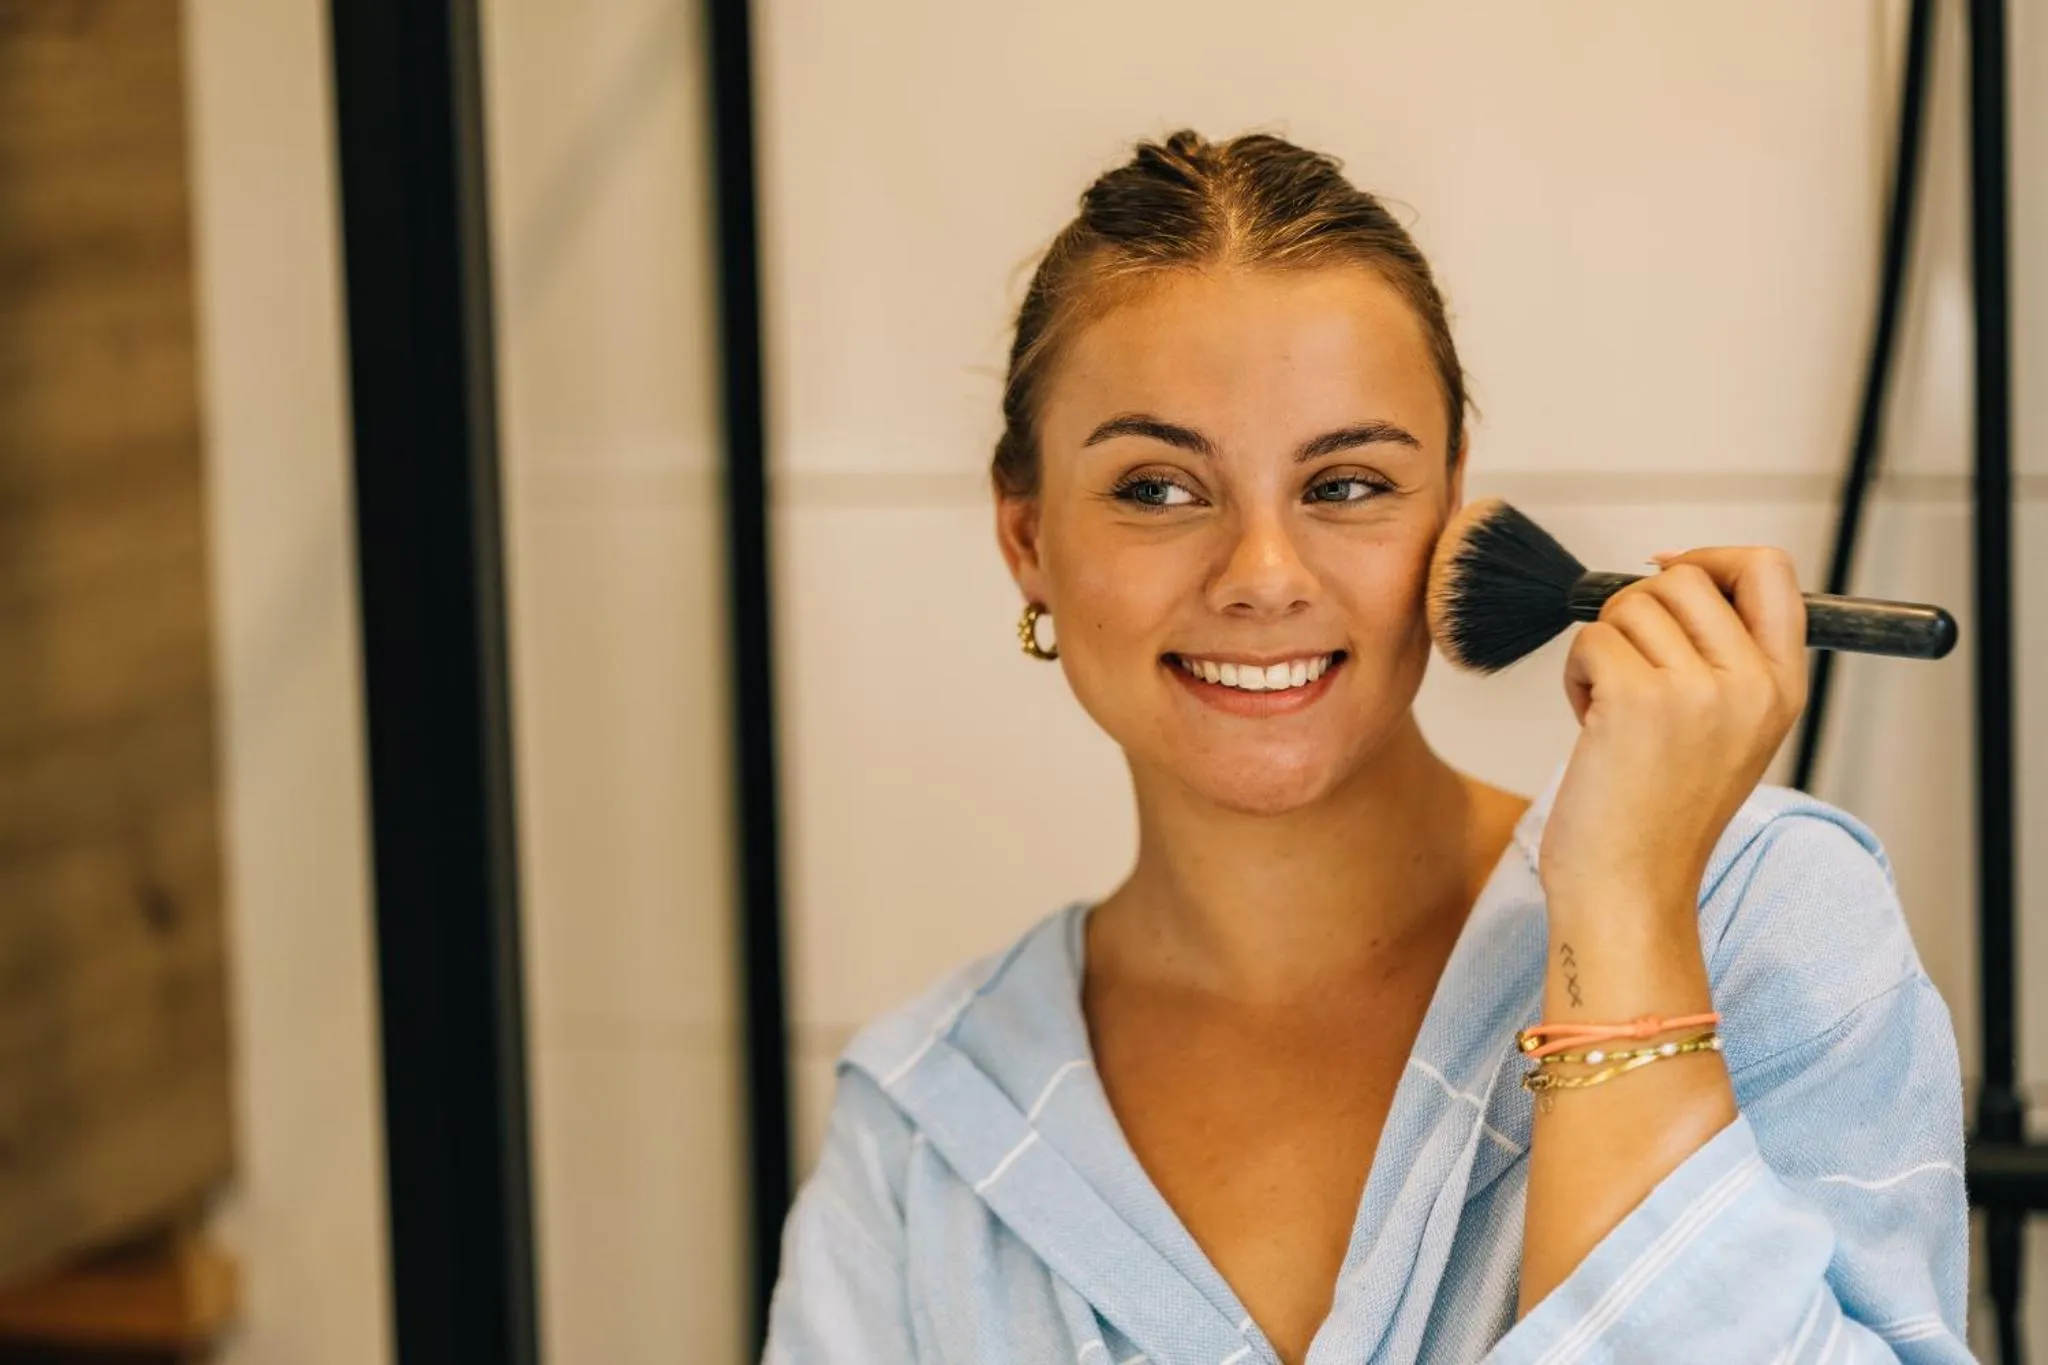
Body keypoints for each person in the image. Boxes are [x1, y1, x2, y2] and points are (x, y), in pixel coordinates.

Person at [762, 130, 1970, 1363]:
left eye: (1345, 486)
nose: (1262, 577)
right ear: (1025, 535)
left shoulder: (1755, 916)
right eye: (1156, 488)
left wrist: (1621, 911)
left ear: (1454, 510)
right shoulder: (928, 1129)